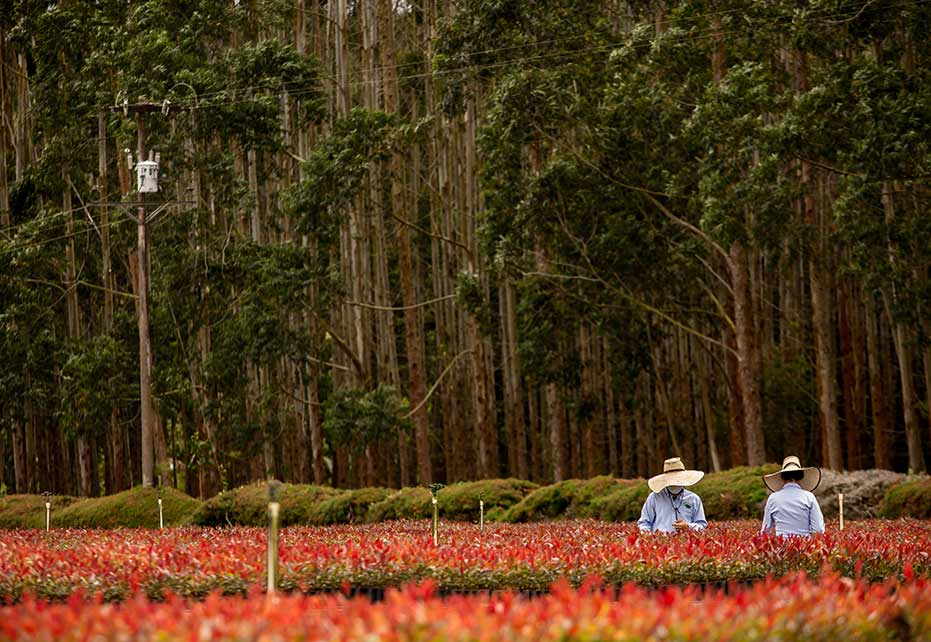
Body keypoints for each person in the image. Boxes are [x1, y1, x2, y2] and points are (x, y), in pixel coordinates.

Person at [638, 457, 707, 533]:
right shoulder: (654, 498)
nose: (675, 483)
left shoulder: (694, 499)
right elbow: (644, 523)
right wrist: (649, 538)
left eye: (677, 480)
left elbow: (702, 525)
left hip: (686, 542)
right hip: (660, 542)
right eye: (671, 480)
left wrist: (688, 526)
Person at [761, 456, 825, 537]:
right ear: (801, 477)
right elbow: (818, 529)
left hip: (780, 546)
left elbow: (766, 530)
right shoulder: (809, 497)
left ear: (782, 477)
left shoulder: (773, 498)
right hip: (804, 546)